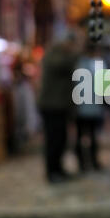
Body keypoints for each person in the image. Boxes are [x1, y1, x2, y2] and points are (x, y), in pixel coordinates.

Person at [38, 32, 79, 183]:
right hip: (51, 106)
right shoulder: (54, 54)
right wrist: (75, 53)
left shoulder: (62, 54)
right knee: (53, 140)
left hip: (60, 106)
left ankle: (58, 169)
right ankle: (52, 171)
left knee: (61, 139)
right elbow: (61, 65)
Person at [75, 43, 104, 172]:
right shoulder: (94, 64)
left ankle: (85, 163)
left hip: (83, 107)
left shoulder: (80, 63)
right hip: (87, 107)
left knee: (84, 136)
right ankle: (89, 162)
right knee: (89, 136)